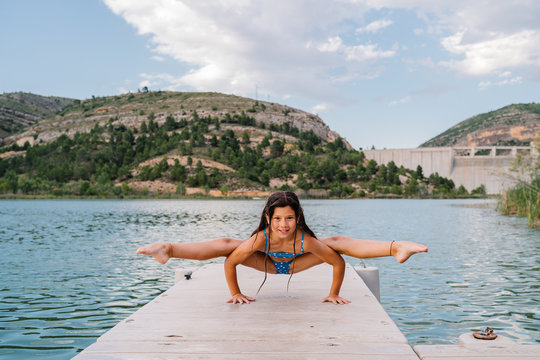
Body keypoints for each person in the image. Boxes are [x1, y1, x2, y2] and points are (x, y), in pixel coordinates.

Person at [136, 191, 428, 304]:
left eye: (290, 218)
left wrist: (333, 294)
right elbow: (230, 262)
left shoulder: (306, 240)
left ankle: (395, 247)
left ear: (297, 218)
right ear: (268, 219)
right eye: (278, 219)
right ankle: (168, 249)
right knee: (227, 245)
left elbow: (337, 263)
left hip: (299, 262)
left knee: (337, 244)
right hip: (265, 262)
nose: (284, 225)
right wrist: (235, 293)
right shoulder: (260, 238)